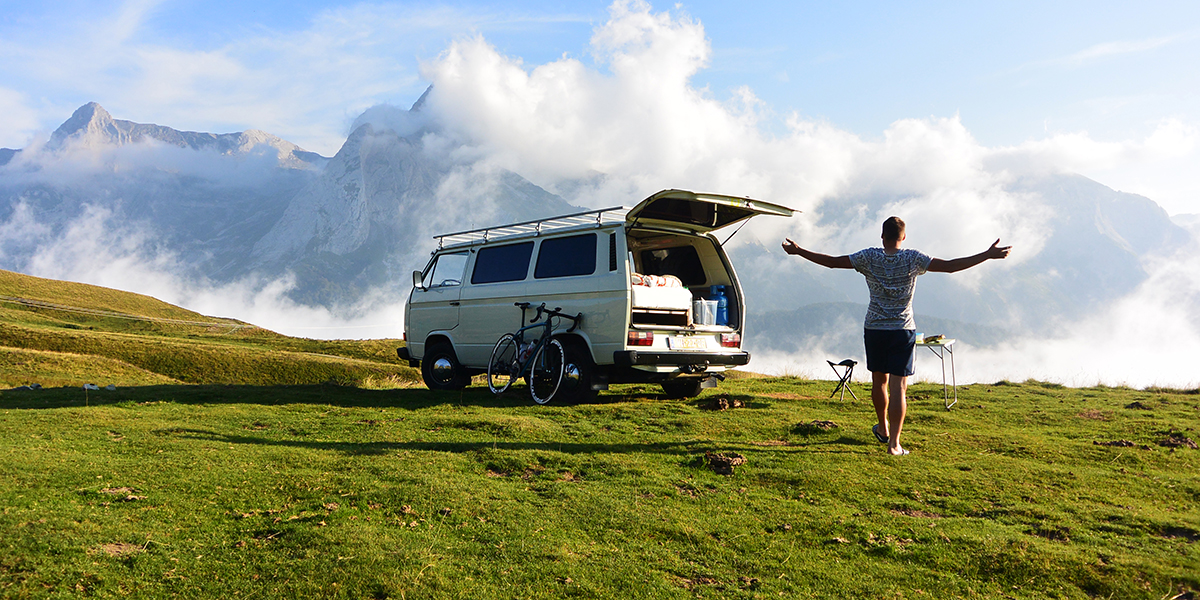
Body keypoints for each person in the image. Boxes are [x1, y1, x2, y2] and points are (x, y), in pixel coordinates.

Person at [781, 217, 1011, 455]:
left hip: (875, 328)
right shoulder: (913, 258)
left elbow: (832, 263)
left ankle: (882, 427)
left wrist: (799, 251)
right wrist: (986, 255)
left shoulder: (869, 257)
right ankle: (894, 444)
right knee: (899, 388)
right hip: (902, 329)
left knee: (879, 381)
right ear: (903, 237)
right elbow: (951, 266)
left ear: (882, 236)